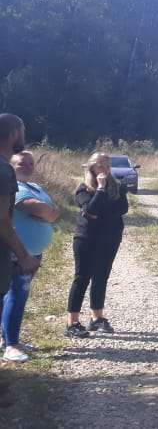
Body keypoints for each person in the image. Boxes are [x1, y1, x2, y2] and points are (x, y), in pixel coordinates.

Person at [2, 151, 59, 362]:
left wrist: (48, 211)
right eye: (20, 163)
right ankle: (11, 346)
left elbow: (54, 210)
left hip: (34, 252)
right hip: (19, 253)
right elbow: (38, 208)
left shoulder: (36, 187)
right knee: (17, 294)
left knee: (14, 295)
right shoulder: (12, 187)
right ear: (11, 165)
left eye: (30, 163)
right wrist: (47, 211)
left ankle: (7, 338)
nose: (26, 166)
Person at [0, 113, 40, 407]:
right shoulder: (3, 170)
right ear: (14, 132)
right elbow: (2, 220)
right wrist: (24, 255)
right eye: (22, 130)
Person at [66, 152, 128, 338]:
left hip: (110, 238)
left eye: (107, 165)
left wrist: (102, 205)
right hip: (86, 238)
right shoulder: (83, 189)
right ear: (92, 168)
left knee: (101, 277)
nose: (105, 169)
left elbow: (122, 208)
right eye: (101, 165)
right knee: (82, 277)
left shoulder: (116, 187)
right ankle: (72, 323)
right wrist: (100, 190)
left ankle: (96, 318)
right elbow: (91, 210)